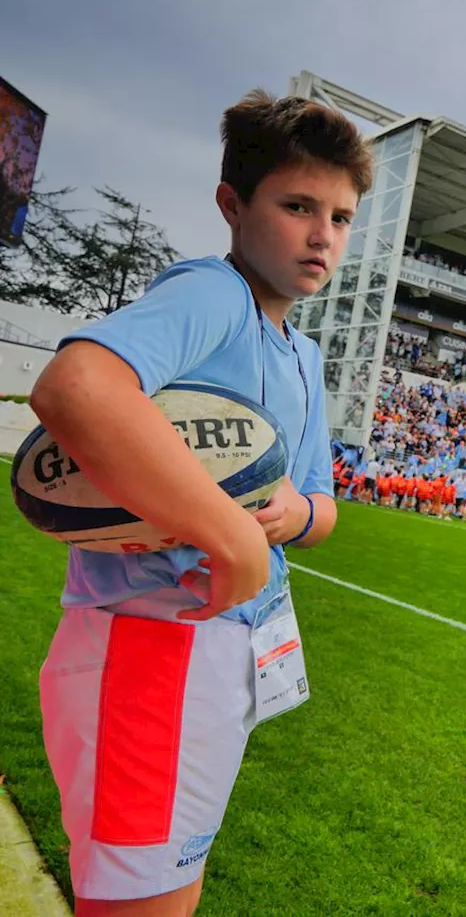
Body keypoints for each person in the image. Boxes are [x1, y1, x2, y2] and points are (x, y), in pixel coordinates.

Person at [28, 89, 371, 917]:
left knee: (175, 881)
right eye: (297, 206)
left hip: (231, 649)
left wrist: (292, 517)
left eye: (341, 215)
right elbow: (77, 388)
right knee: (142, 901)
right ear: (232, 203)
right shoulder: (214, 294)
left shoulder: (303, 351)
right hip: (151, 645)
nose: (322, 232)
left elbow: (324, 505)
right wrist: (232, 536)